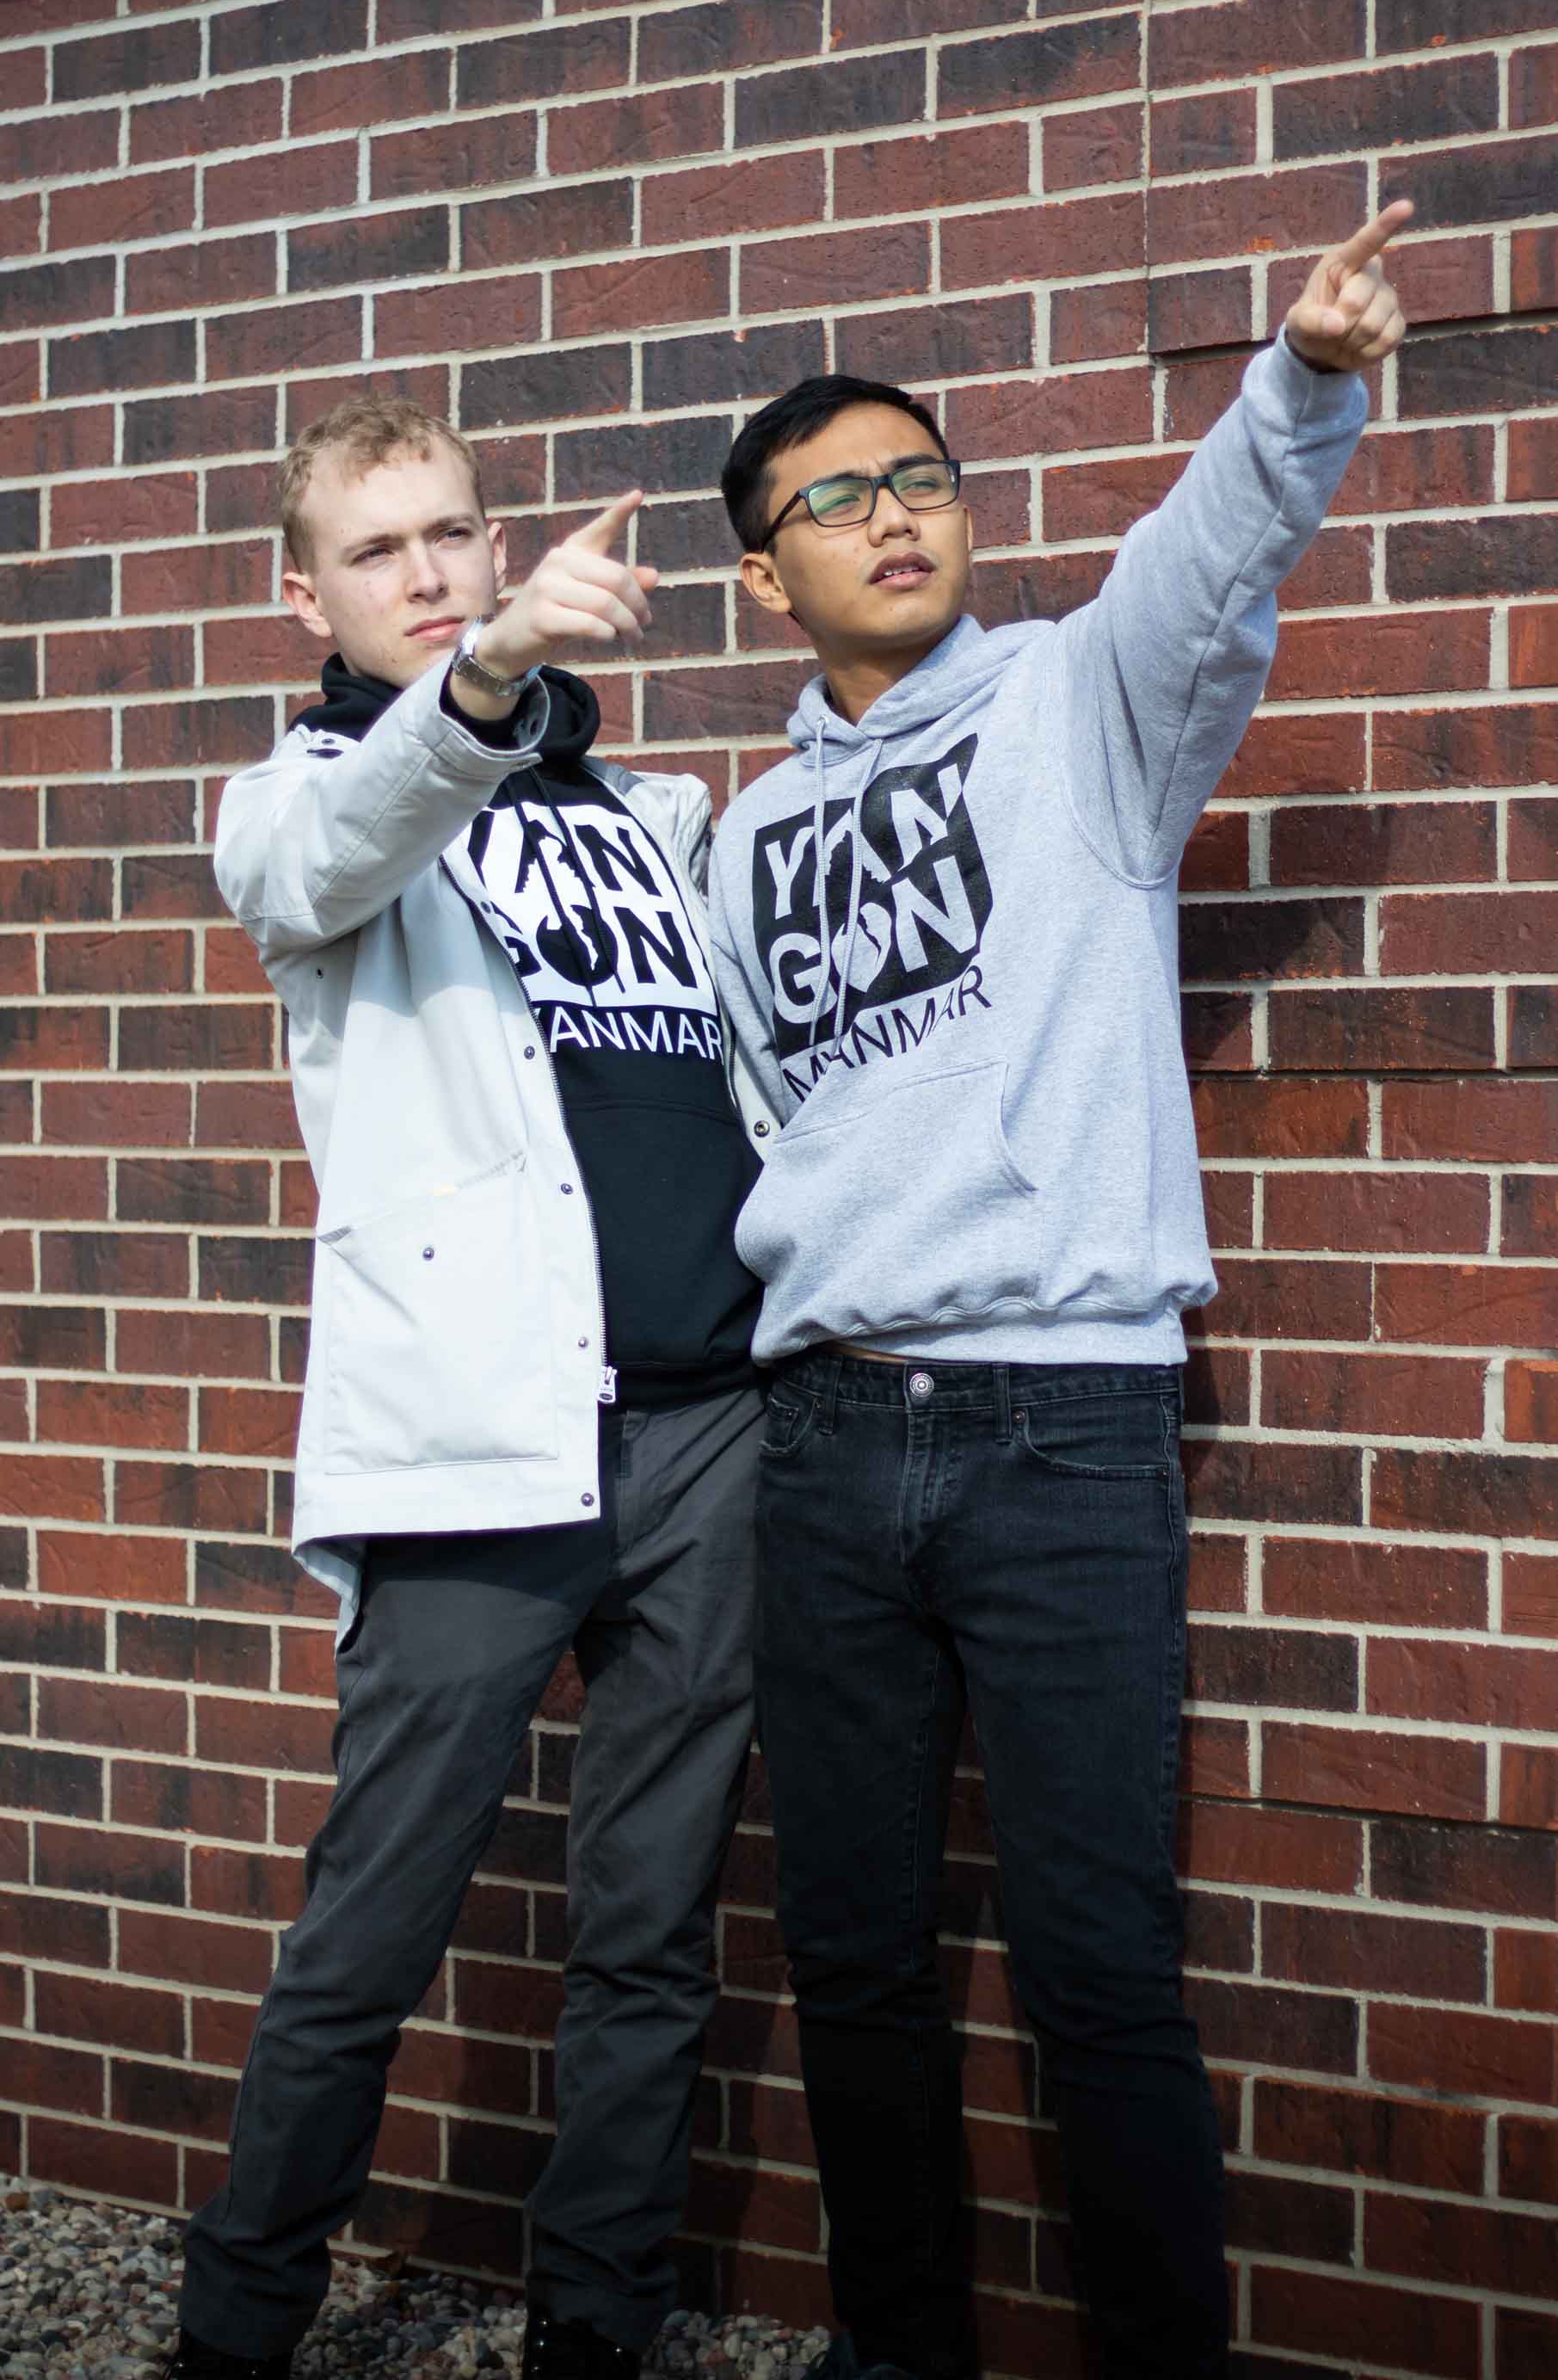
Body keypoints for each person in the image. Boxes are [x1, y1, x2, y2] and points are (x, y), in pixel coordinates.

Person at [705, 208, 1412, 2380]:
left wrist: (1299, 382)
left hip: (1062, 1431)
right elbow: (765, 1111)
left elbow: (1212, 567)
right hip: (828, 1435)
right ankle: (897, 2349)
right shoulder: (742, 838)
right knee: (854, 1959)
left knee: (1101, 1971)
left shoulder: (1084, 713)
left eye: (920, 477)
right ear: (765, 579)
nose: (892, 515)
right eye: (836, 498)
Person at [167, 398, 773, 2380]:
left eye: (452, 535)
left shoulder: (645, 812)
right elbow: (347, 843)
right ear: (308, 598)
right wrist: (494, 678)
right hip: (476, 1449)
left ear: (497, 543)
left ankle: (594, 2329)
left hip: (708, 1428)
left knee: (651, 1933)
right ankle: (238, 2334)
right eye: (376, 551)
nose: (425, 575)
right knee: (370, 1933)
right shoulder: (297, 802)